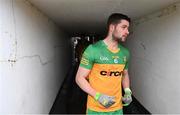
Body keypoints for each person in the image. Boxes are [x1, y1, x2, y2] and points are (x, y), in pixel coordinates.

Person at [75, 13, 132, 114]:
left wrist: (127, 91)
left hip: (117, 109)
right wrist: (98, 96)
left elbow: (125, 74)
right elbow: (79, 78)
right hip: (95, 109)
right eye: (124, 27)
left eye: (128, 28)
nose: (127, 31)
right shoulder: (93, 50)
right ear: (112, 27)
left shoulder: (125, 53)